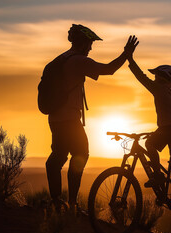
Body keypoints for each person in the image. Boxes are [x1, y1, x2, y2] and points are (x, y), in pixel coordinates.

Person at [45, 24, 138, 211]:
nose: (91, 48)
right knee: (80, 154)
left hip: (55, 118)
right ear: (82, 43)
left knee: (58, 157)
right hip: (69, 119)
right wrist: (126, 54)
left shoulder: (61, 59)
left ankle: (56, 201)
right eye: (90, 43)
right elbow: (109, 69)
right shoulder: (79, 61)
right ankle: (72, 203)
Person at [126, 41, 171, 188]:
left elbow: (141, 77)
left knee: (149, 144)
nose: (153, 78)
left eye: (156, 75)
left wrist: (130, 58)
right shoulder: (166, 90)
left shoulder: (159, 88)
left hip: (169, 128)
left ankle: (158, 176)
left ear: (162, 77)